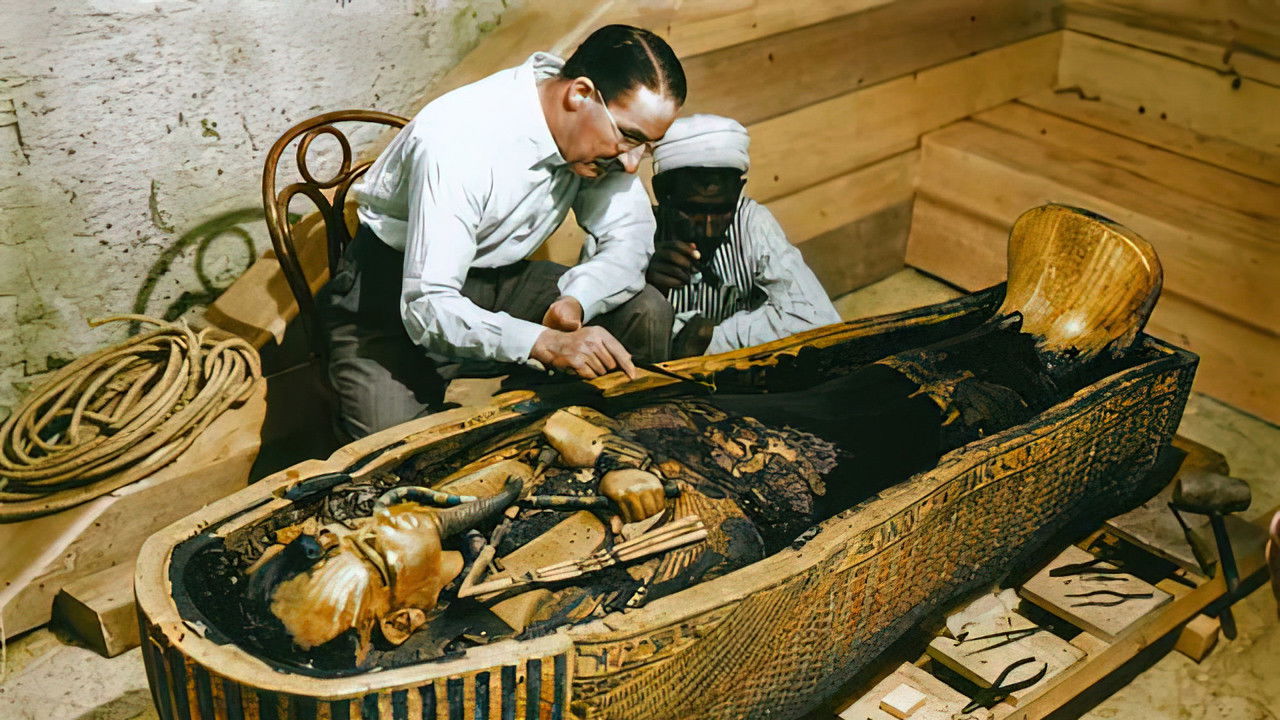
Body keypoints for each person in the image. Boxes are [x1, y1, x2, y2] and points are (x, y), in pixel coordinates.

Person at [319, 25, 686, 441]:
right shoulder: (459, 139)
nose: (632, 163)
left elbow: (630, 237)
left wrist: (578, 299)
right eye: (629, 137)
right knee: (396, 454)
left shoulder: (595, 134)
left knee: (645, 310)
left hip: (498, 284)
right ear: (580, 94)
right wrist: (543, 342)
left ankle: (608, 441)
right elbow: (428, 305)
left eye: (647, 146)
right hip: (388, 303)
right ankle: (526, 415)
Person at [643, 114, 841, 357]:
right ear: (661, 193)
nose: (708, 229)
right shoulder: (636, 231)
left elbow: (818, 319)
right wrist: (647, 289)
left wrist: (710, 339)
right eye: (692, 210)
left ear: (738, 192)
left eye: (722, 210)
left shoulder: (750, 221)